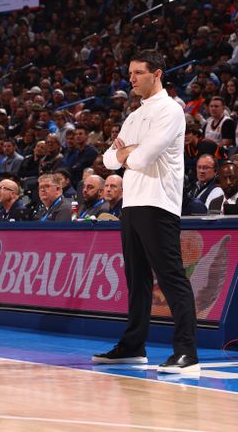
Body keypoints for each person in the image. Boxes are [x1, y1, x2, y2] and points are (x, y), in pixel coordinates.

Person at [95, 49, 199, 373]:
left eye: (138, 72)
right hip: (133, 203)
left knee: (170, 278)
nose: (132, 79)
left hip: (159, 203)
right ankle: (133, 347)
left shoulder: (170, 110)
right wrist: (128, 152)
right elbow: (108, 160)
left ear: (156, 74)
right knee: (136, 279)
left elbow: (139, 159)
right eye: (130, 73)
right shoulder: (134, 115)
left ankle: (187, 353)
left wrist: (127, 151)